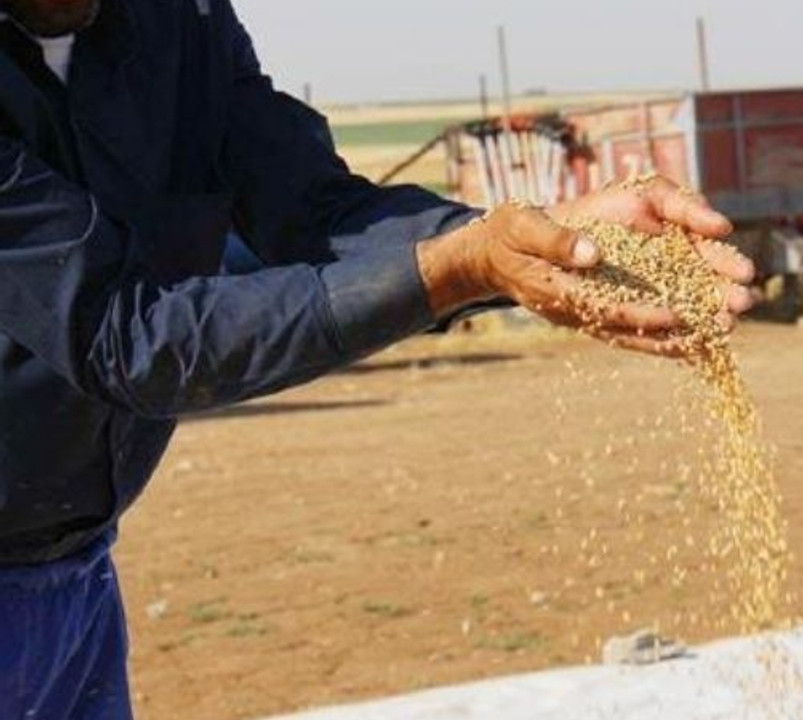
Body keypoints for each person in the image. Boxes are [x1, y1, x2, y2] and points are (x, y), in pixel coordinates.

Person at [0, 0, 756, 717]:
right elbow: (134, 337)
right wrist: (462, 269)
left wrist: (539, 236)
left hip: (74, 582)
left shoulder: (180, 24)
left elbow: (320, 214)